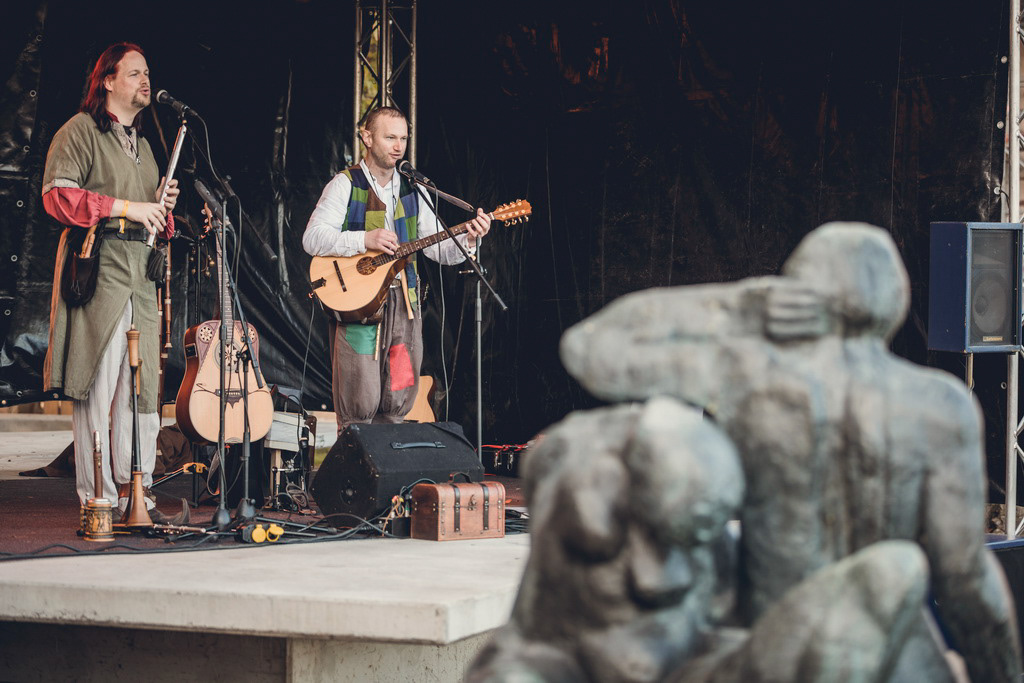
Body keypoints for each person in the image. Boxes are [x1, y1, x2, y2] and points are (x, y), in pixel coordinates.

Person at [560, 222, 1020, 682]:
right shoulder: (941, 406)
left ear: (795, 292)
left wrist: (743, 306)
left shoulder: (750, 378)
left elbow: (589, 347)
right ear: (896, 296)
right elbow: (965, 578)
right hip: (895, 658)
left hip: (779, 650)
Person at [42, 43, 179, 520]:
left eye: (148, 72)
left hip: (140, 275)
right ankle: (96, 498)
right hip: (98, 269)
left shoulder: (145, 146)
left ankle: (133, 493)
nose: (146, 80)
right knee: (97, 387)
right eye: (135, 72)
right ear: (107, 80)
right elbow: (58, 196)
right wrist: (126, 207)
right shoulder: (79, 130)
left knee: (140, 391)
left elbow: (155, 223)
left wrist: (162, 207)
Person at [303, 106, 490, 433]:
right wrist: (364, 239)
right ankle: (356, 461)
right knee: (360, 396)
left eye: (403, 138)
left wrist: (470, 239)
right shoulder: (345, 184)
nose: (398, 146)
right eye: (390, 137)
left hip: (405, 303)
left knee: (399, 391)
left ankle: (389, 459)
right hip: (360, 306)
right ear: (367, 137)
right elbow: (312, 238)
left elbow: (438, 248)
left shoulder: (414, 189)